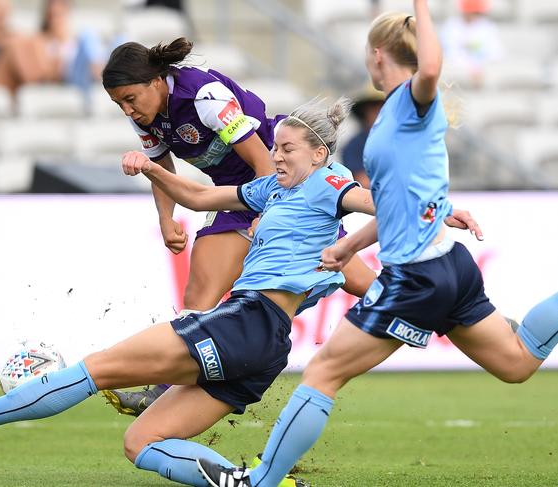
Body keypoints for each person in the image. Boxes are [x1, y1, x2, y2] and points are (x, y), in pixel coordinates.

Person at [0, 97, 381, 487]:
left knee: (96, 369)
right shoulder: (273, 190)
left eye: (287, 149)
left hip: (248, 321)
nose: (275, 156)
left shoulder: (329, 182)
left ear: (319, 154)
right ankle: (257, 484)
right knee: (141, 442)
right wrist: (150, 169)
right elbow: (199, 198)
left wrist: (413, 222)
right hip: (263, 343)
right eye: (274, 146)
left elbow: (378, 205)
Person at [196, 2, 558, 486]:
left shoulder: (412, 99)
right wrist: (350, 247)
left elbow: (429, 66)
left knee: (321, 375)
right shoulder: (392, 117)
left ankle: (263, 482)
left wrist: (421, 6)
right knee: (515, 364)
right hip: (449, 263)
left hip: (415, 277)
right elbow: (390, 203)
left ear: (378, 53)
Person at [100, 37, 377, 416]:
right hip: (236, 194)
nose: (128, 109)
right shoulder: (145, 117)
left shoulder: (204, 97)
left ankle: (429, 305)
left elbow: (263, 159)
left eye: (130, 98)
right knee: (200, 292)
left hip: (284, 181)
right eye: (120, 104)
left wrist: (274, 212)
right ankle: (167, 391)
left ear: (156, 81)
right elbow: (162, 170)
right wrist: (166, 219)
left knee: (358, 280)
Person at [0, 0, 105, 97]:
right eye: (52, 15)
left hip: (81, 73)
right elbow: (36, 74)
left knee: (93, 37)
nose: (56, 20)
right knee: (88, 35)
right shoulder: (40, 41)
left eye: (60, 14)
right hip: (69, 78)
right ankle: (103, 75)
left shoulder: (73, 40)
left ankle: (104, 74)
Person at [440, 0, 503, 88]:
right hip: (458, 69)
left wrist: (478, 66)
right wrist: (468, 67)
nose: (472, 15)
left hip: (482, 68)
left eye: (475, 12)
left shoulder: (487, 27)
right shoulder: (451, 26)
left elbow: (496, 53)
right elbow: (449, 52)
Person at [340, 83, 384, 188]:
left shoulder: (404, 140)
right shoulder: (355, 145)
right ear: (365, 112)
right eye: (374, 108)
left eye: (382, 107)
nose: (379, 112)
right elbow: (363, 181)